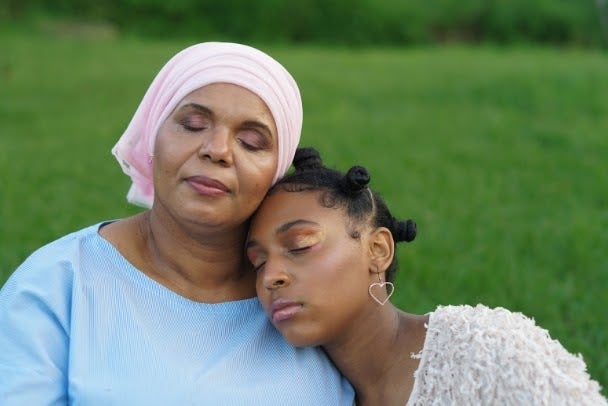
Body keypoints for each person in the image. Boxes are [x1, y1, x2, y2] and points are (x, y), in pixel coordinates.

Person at [0, 44, 354, 404]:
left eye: (251, 142)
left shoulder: (316, 294)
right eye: (193, 124)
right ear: (153, 136)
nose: (217, 149)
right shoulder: (58, 284)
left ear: (275, 173)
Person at [245, 147, 607, 406]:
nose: (271, 277)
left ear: (378, 251)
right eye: (258, 262)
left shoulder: (486, 352)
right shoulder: (307, 391)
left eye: (300, 244)